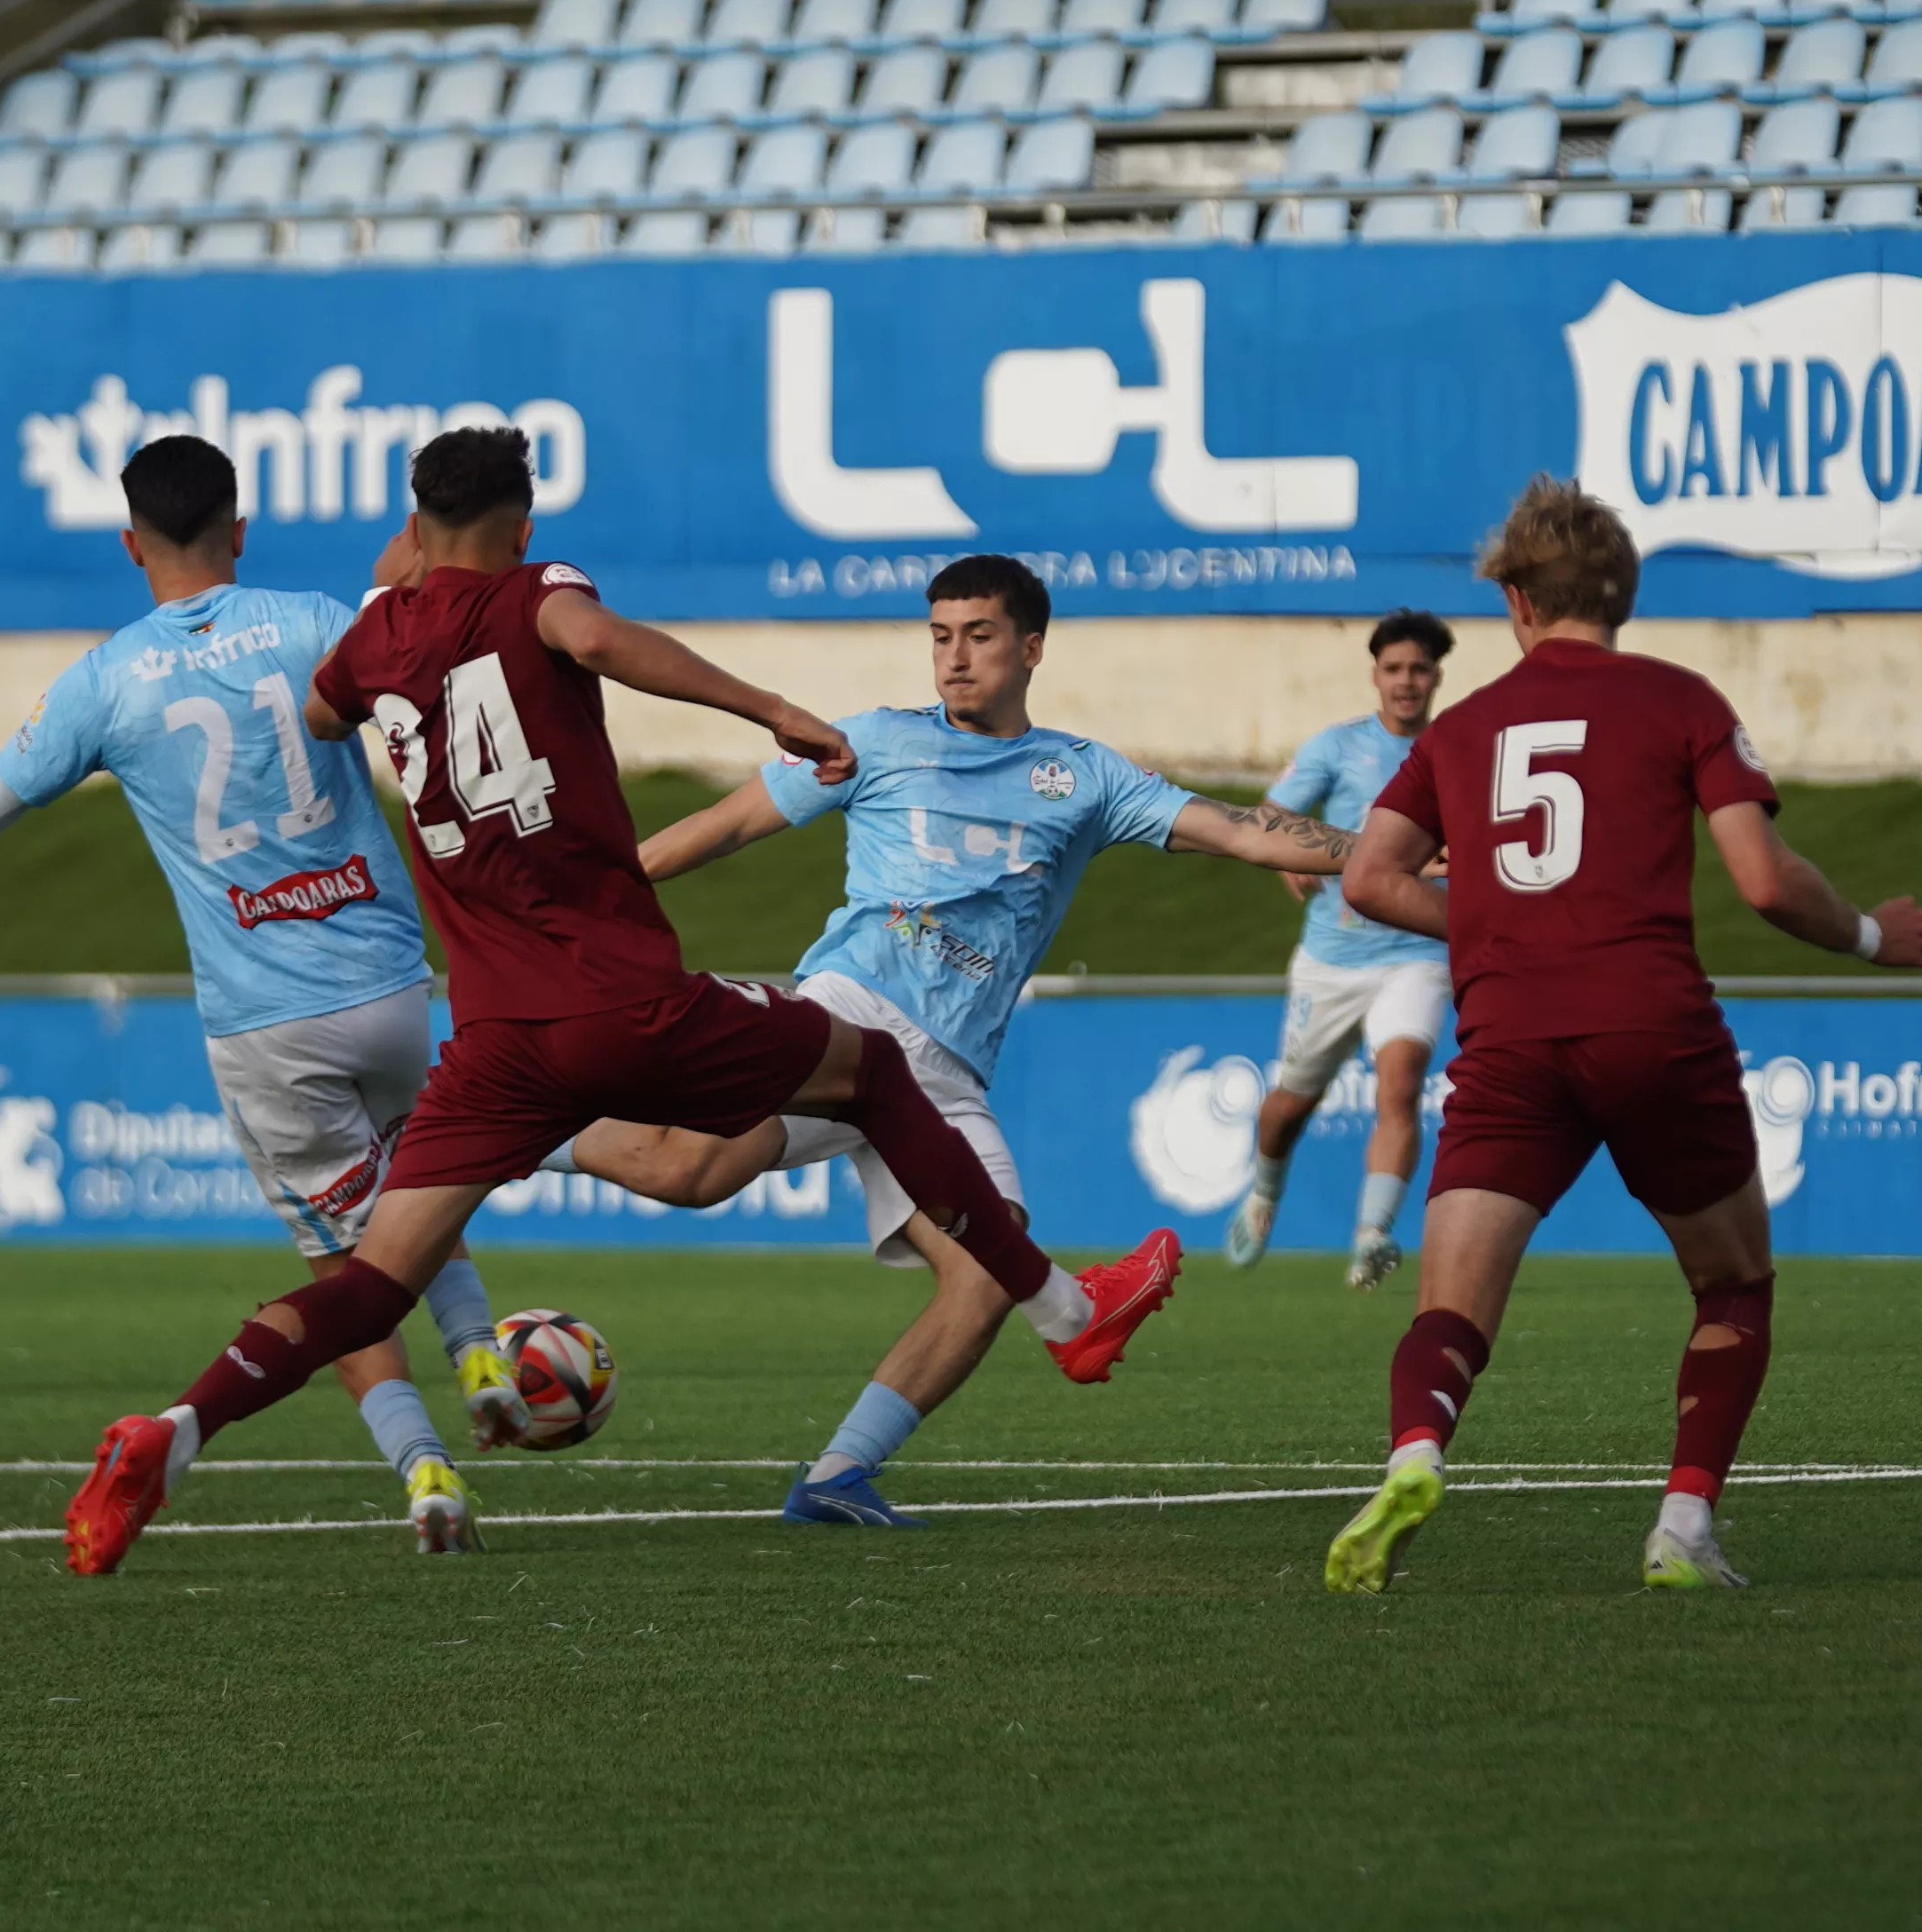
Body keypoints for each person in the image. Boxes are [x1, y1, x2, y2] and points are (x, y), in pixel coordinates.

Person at [60, 429, 1182, 1578]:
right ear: (523, 529)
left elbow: (321, 716)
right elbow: (606, 640)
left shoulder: (371, 643)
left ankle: (174, 1428)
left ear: (417, 523)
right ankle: (1061, 1311)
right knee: (878, 1071)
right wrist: (769, 710)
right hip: (627, 1003)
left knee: (366, 1286)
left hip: (496, 1044)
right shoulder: (539, 596)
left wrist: (397, 588)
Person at [0, 435, 521, 1554]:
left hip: (267, 1023)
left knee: (345, 1267)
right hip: (393, 986)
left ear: (130, 543)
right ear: (241, 529)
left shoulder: (107, 679)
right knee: (427, 1192)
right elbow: (407, 585)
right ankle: (483, 1354)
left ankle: (426, 1470)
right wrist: (404, 548)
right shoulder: (317, 620)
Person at [560, 552, 1356, 1528]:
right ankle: (515, 1118)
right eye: (940, 635)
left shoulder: (1089, 775)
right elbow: (725, 827)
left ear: (1031, 647)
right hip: (853, 1015)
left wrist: (1379, 851)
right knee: (690, 1171)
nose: (955, 657)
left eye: (978, 635)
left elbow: (1241, 830)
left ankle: (836, 1475)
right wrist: (589, 904)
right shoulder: (875, 743)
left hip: (949, 1071)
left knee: (984, 1275)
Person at [1319, 477, 1922, 1595]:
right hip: (1653, 1027)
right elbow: (1762, 879)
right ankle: (1683, 1529)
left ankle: (1416, 1455)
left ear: (1515, 599)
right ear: (1622, 593)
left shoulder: (1459, 729)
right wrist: (1866, 933)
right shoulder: (1679, 699)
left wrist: (1493, 921)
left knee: (1451, 1305)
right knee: (1732, 1282)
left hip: (1511, 1038)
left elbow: (1370, 880)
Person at [1226, 608, 1458, 1289]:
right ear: (1376, 675)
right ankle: (1265, 1190)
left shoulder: (1459, 748)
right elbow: (1268, 819)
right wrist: (1286, 855)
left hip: (1417, 947)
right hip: (1333, 956)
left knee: (1402, 1083)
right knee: (1288, 1107)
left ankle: (1371, 1234)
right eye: (1394, 669)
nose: (1406, 682)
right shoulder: (1337, 747)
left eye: (1419, 669)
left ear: (1437, 676)